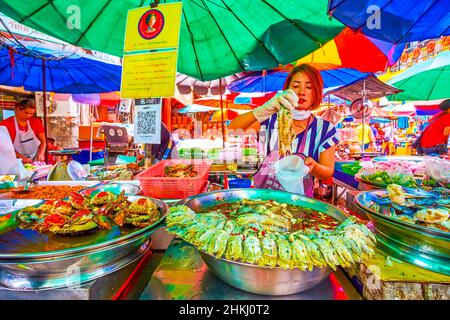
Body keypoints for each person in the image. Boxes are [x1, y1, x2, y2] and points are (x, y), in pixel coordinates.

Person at [229, 64, 338, 197]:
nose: (301, 92)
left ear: (316, 93)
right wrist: (262, 110)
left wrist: (314, 167)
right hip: (266, 198)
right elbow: (234, 130)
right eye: (296, 86)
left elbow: (328, 170)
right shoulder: (269, 119)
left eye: (309, 87)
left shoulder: (325, 129)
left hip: (299, 202)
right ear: (286, 91)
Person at [0, 99, 46, 164]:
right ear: (17, 109)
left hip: (35, 159)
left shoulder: (36, 122)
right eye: (26, 113)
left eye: (31, 113)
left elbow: (43, 141)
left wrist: (41, 154)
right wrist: (21, 158)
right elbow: (4, 148)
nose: (29, 116)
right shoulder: (5, 124)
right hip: (15, 161)